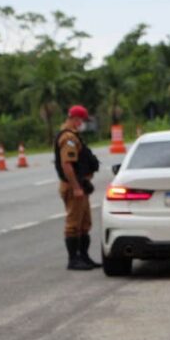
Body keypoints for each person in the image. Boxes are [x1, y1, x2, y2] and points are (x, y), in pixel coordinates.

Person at [55, 105, 101, 271]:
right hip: (73, 186)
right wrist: (75, 187)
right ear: (76, 119)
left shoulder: (74, 135)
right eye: (83, 120)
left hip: (81, 184)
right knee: (73, 224)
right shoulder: (68, 138)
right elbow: (67, 164)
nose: (84, 124)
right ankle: (73, 259)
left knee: (84, 223)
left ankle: (84, 257)